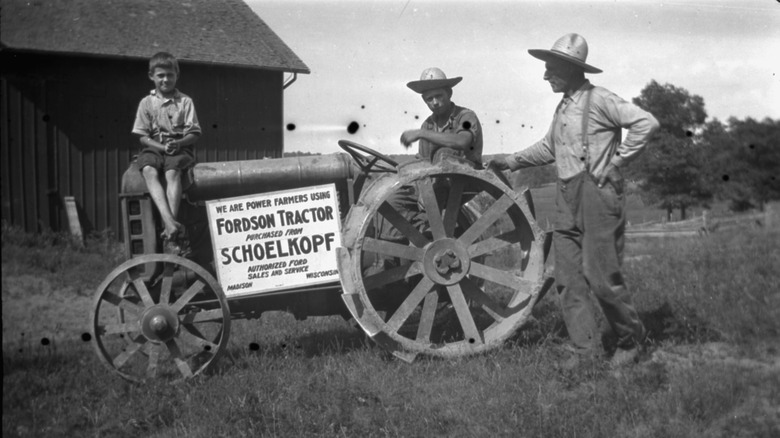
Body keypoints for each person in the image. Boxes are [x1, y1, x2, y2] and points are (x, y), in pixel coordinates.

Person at [487, 34, 659, 367]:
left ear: (570, 68)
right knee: (567, 279)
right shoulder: (563, 106)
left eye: (551, 69)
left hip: (597, 196)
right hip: (565, 195)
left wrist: (618, 162)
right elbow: (548, 148)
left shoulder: (600, 100)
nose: (545, 75)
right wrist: (509, 161)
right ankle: (587, 352)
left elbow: (645, 122)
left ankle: (630, 340)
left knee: (601, 277)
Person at [369, 68, 483, 271]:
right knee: (391, 199)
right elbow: (424, 162)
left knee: (444, 156)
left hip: (463, 179)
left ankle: (430, 232)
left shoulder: (465, 116)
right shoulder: (428, 124)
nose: (435, 102)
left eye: (439, 96)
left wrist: (422, 134)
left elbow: (461, 140)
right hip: (435, 182)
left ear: (449, 94)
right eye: (429, 99)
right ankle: (395, 253)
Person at [132, 52, 201, 255]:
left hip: (180, 148)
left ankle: (169, 233)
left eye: (170, 75)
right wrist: (161, 147)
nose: (165, 79)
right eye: (160, 75)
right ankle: (170, 222)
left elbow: (195, 133)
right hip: (154, 147)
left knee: (172, 172)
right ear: (151, 76)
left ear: (177, 75)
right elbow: (142, 136)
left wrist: (178, 143)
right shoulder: (146, 103)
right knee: (148, 169)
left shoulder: (185, 102)